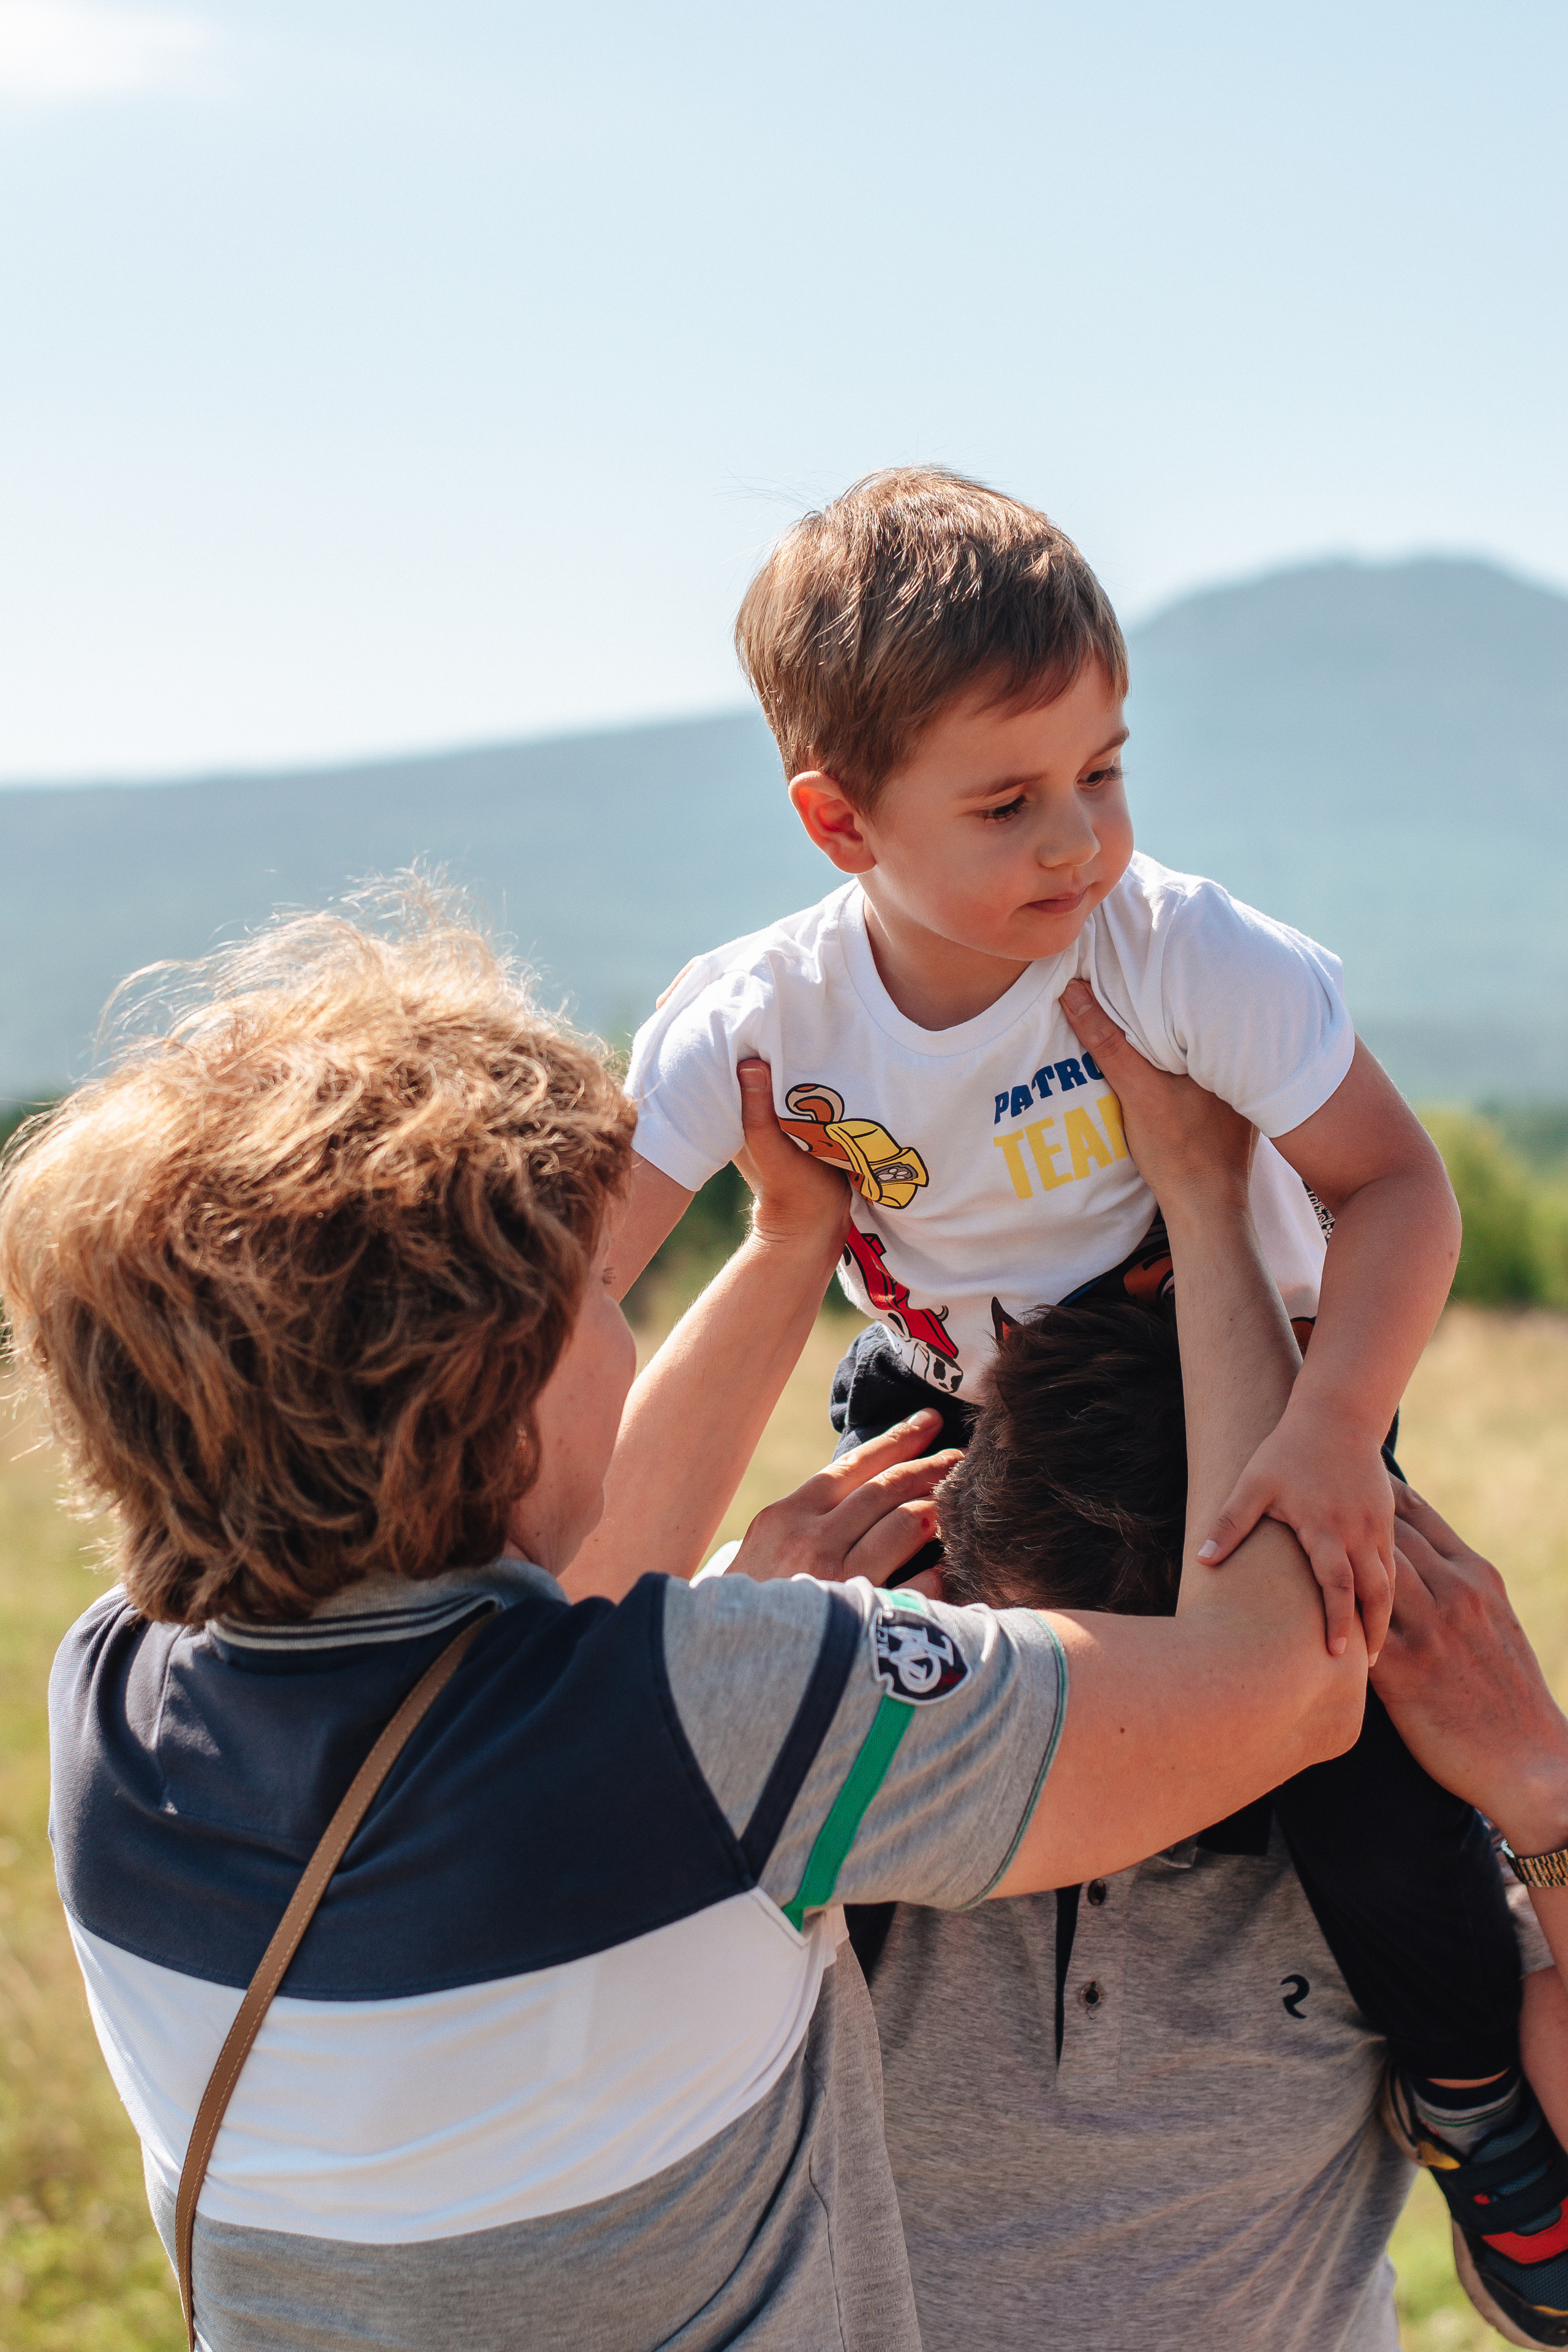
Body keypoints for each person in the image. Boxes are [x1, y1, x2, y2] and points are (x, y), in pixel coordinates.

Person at [4, 899, 1361, 2352]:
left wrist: (793, 1245)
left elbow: (540, 1644)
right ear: (493, 1396)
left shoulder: (115, 1702)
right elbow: (1280, 1695)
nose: (621, 1330)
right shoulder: (725, 1722)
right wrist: (1209, 1204)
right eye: (587, 1298)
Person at [848, 997, 1568, 2350]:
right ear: (964, 1588)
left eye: (1213, 1711)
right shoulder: (860, 1732)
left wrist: (1543, 1788)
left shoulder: (1382, 1816)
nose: (1152, 1759)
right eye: (1075, 1694)